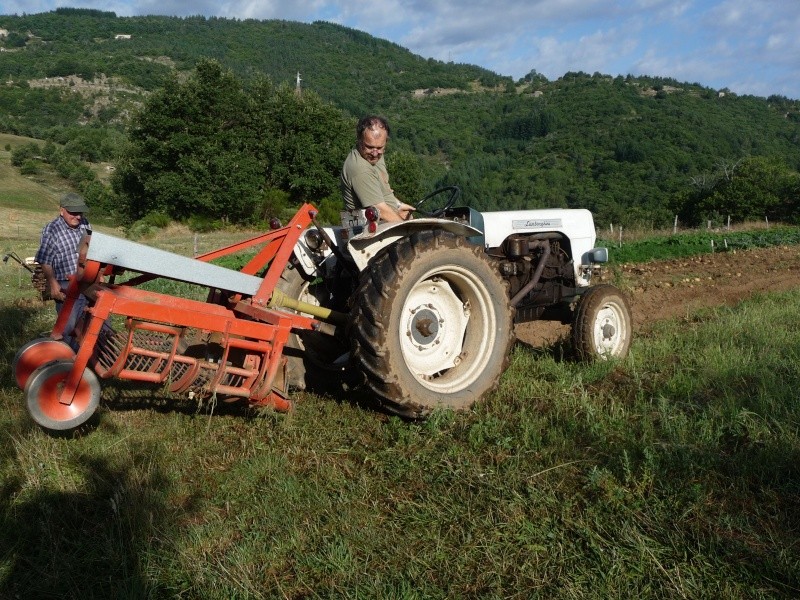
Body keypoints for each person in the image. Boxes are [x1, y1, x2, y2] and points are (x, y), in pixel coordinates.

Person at [34, 192, 92, 351]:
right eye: (73, 213)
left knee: (93, 323)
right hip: (65, 284)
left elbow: (89, 249)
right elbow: (45, 259)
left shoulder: (85, 224)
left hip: (86, 281)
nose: (78, 217)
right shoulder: (52, 229)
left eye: (80, 213)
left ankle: (88, 361)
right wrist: (53, 284)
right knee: (67, 327)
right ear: (62, 210)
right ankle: (63, 363)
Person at [341, 115, 415, 222]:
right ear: (359, 140)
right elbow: (381, 211)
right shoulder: (360, 169)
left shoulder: (373, 157)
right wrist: (408, 229)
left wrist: (398, 205)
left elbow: (382, 191)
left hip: (386, 221)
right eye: (369, 147)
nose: (375, 153)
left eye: (380, 147)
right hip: (372, 230)